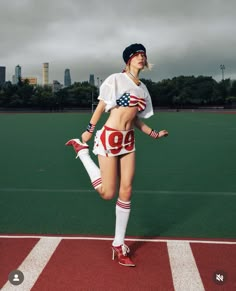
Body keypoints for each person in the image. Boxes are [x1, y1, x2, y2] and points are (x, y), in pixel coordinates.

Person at [66, 43, 168, 267]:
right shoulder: (115, 79)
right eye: (136, 55)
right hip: (110, 138)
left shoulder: (142, 88)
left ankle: (118, 244)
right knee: (108, 193)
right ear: (128, 60)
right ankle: (82, 153)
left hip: (128, 141)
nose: (141, 58)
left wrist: (153, 134)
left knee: (127, 190)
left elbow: (135, 119)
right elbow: (102, 106)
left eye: (143, 55)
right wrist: (89, 131)